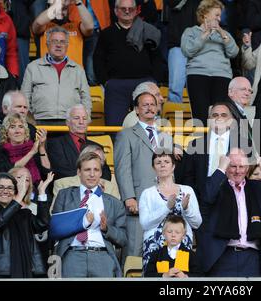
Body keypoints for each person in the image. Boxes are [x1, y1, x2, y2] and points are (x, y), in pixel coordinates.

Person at [197, 148, 261, 276]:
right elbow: (207, 196)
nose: (237, 171)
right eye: (233, 166)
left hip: (252, 258)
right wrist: (221, 168)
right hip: (223, 257)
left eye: (241, 166)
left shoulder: (256, 187)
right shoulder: (218, 185)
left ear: (247, 168)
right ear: (226, 167)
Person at [114, 92, 174, 260]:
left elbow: (170, 172)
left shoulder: (166, 137)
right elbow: (122, 169)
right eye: (145, 105)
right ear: (136, 110)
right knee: (135, 254)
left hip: (163, 206)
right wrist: (129, 197)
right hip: (138, 205)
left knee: (162, 257)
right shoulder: (126, 135)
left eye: (152, 104)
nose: (149, 108)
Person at [51, 151, 127, 277]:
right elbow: (55, 229)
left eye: (96, 170)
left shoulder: (114, 202)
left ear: (101, 173)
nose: (92, 174)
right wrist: (81, 222)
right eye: (87, 170)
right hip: (72, 255)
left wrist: (106, 228)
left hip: (102, 257)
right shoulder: (64, 195)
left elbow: (123, 239)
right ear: (79, 172)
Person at [94, 0, 162, 126]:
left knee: (150, 127)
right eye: (123, 8)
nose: (127, 11)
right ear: (116, 11)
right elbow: (98, 60)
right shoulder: (106, 33)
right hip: (116, 86)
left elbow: (157, 58)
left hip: (145, 83)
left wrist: (154, 81)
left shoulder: (148, 31)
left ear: (136, 10)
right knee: (114, 128)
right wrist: (106, 82)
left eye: (130, 9)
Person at [139, 151, 202, 271]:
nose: (162, 165)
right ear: (153, 167)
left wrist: (186, 209)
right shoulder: (147, 193)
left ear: (173, 166)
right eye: (158, 162)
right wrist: (166, 208)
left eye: (166, 162)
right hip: (154, 247)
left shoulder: (187, 190)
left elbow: (197, 223)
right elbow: (144, 223)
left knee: (180, 280)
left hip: (182, 245)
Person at [180, 0, 238, 125]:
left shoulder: (224, 34)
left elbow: (234, 52)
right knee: (200, 115)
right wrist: (204, 34)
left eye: (220, 16)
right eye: (216, 15)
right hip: (197, 74)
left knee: (220, 116)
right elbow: (187, 51)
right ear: (205, 14)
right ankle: (202, 143)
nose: (219, 19)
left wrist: (222, 33)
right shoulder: (190, 32)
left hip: (222, 76)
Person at [0, 172, 49, 277]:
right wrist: (20, 196)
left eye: (10, 188)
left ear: (14, 192)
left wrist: (41, 193)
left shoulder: (23, 213)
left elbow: (42, 224)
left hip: (27, 269)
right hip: (0, 272)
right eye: (0, 187)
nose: (5, 191)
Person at [21, 26, 91, 125]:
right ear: (47, 44)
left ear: (67, 45)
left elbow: (86, 98)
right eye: (54, 41)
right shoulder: (32, 67)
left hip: (70, 121)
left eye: (62, 42)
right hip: (39, 121)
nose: (58, 45)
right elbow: (24, 97)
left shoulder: (78, 70)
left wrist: (84, 119)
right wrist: (29, 120)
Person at [0, 90, 35, 196]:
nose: (23, 110)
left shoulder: (31, 129)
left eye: (25, 107)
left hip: (27, 192)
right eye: (18, 106)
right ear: (5, 109)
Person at [46, 104, 111, 180]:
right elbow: (60, 172)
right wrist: (89, 178)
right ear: (68, 122)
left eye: (84, 118)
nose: (81, 122)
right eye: (76, 118)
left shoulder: (97, 147)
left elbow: (106, 175)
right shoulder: (55, 143)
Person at [0, 113, 51, 187]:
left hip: (37, 187)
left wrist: (41, 147)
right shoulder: (1, 151)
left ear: (25, 131)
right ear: (6, 132)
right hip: (12, 189)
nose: (17, 131)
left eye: (21, 127)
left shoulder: (33, 147)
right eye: (12, 127)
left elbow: (47, 172)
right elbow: (9, 172)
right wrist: (31, 153)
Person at [32, 0, 94, 67]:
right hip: (48, 74)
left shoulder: (76, 26)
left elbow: (89, 27)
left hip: (73, 74)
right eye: (58, 9)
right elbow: (38, 23)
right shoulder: (44, 27)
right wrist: (58, 4)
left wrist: (78, 2)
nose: (60, 11)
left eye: (64, 9)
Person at [52, 144, 120, 202]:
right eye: (92, 158)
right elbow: (55, 213)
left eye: (100, 160)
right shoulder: (62, 184)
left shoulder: (111, 187)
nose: (96, 162)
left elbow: (116, 213)